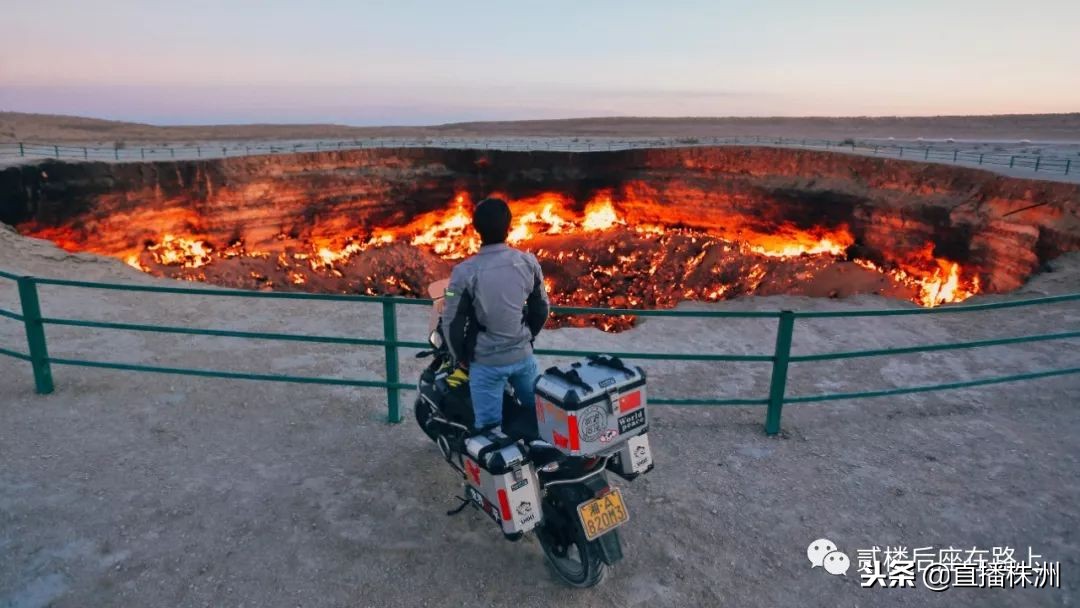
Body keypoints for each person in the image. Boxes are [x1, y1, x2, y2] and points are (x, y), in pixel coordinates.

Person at [441, 197, 550, 431]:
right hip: (523, 358)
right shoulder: (528, 263)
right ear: (509, 227)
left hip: (486, 363)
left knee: (490, 429)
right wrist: (527, 336)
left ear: (475, 228)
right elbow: (541, 308)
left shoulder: (464, 273)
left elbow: (452, 321)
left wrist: (460, 355)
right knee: (541, 416)